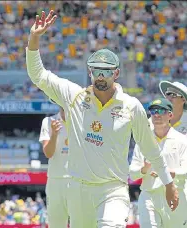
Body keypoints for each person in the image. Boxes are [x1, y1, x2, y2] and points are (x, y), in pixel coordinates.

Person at [25, 10, 179, 228]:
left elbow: (150, 148)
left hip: (113, 189)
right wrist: (34, 38)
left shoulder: (131, 106)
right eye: (96, 71)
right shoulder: (74, 96)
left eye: (106, 72)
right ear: (89, 72)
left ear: (116, 74)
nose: (100, 76)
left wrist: (168, 183)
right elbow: (38, 75)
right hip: (78, 189)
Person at [130, 98, 187, 228]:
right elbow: (132, 174)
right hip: (149, 195)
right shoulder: (143, 142)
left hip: (176, 194)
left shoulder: (182, 140)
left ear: (170, 115)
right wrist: (144, 169)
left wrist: (168, 174)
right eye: (153, 111)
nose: (157, 114)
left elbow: (185, 170)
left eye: (161, 111)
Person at [39, 100, 70, 228]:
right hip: (55, 181)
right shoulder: (48, 122)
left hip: (78, 181)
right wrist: (55, 135)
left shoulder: (83, 123)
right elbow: (48, 153)